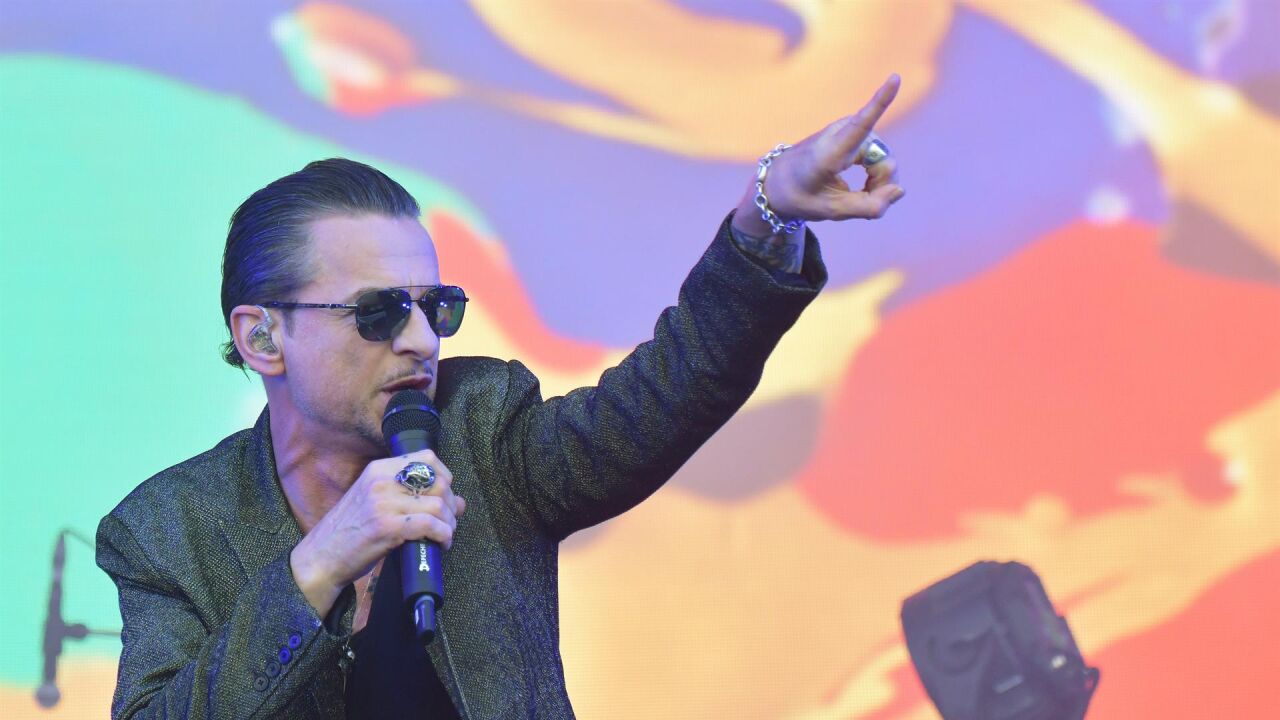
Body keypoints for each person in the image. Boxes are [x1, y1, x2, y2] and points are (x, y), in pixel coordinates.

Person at [96, 77, 906, 719]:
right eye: (379, 311)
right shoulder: (169, 531)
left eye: (435, 307)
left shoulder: (482, 431)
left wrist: (767, 216)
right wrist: (321, 563)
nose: (420, 339)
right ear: (263, 338)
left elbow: (674, 387)